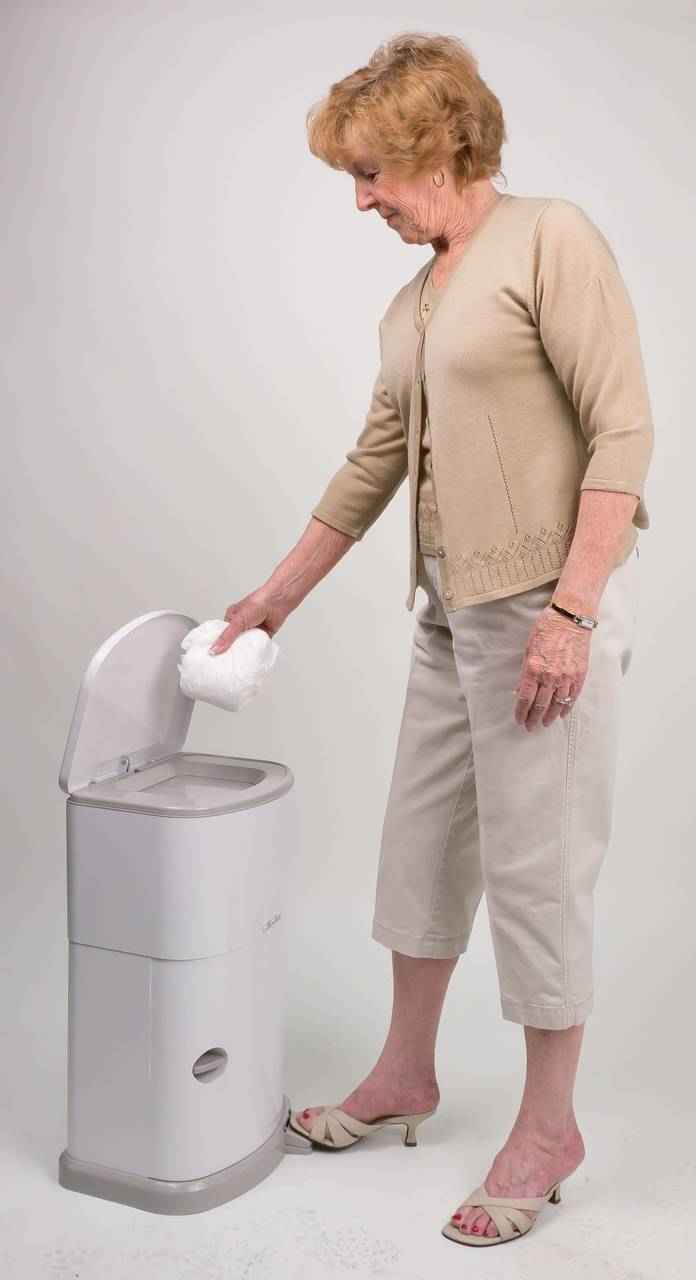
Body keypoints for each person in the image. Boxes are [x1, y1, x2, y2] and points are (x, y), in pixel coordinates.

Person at [208, 32, 654, 1247]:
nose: (361, 201)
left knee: (537, 869)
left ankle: (550, 1128)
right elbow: (371, 464)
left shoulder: (551, 239)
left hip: (544, 611)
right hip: (451, 614)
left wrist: (573, 610)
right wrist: (273, 598)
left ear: (435, 147)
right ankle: (406, 1071)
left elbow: (623, 429)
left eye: (370, 173)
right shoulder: (412, 304)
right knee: (420, 848)